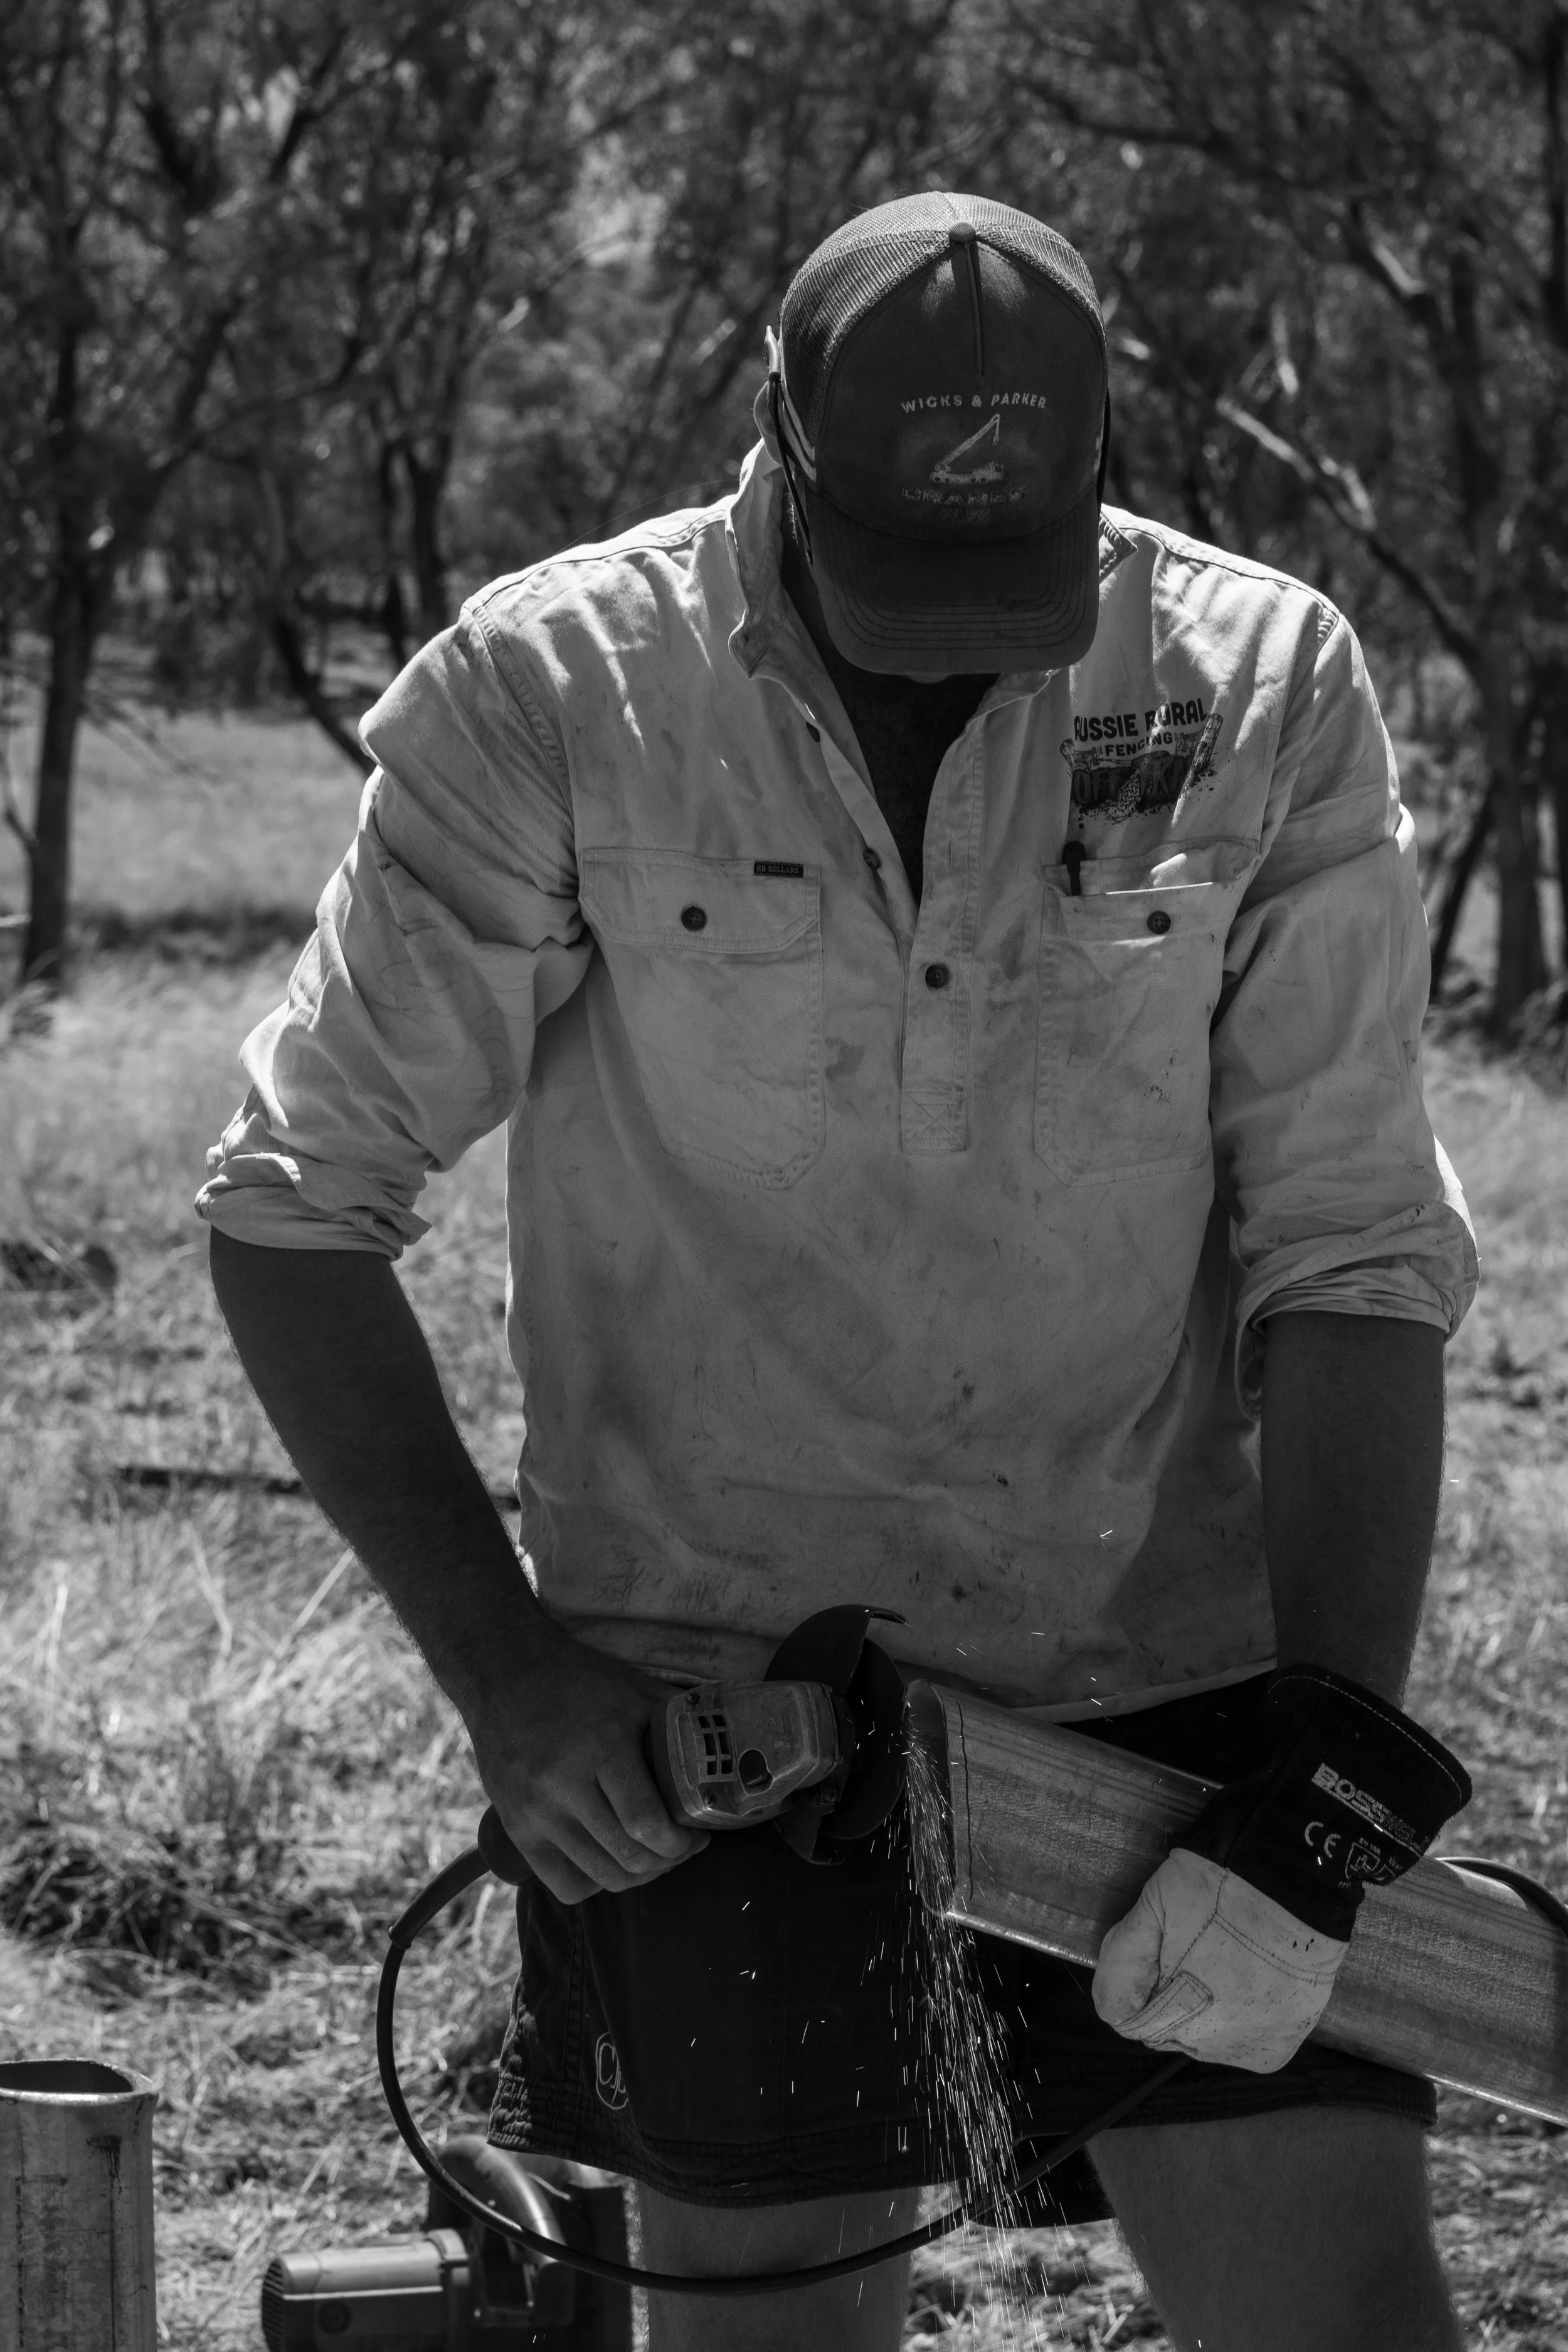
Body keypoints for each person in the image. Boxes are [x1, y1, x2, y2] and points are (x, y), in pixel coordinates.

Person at [203, 192, 1480, 2352]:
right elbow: (294, 1204)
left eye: (1016, 587)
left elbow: (1353, 1254)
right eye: (906, 581)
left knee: (1345, 2313)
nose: (960, 646)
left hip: (1168, 1696)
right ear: (779, 445)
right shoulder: (556, 693)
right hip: (720, 1712)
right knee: (768, 2327)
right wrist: (519, 1688)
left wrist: (1326, 1774)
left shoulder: (1257, 687)